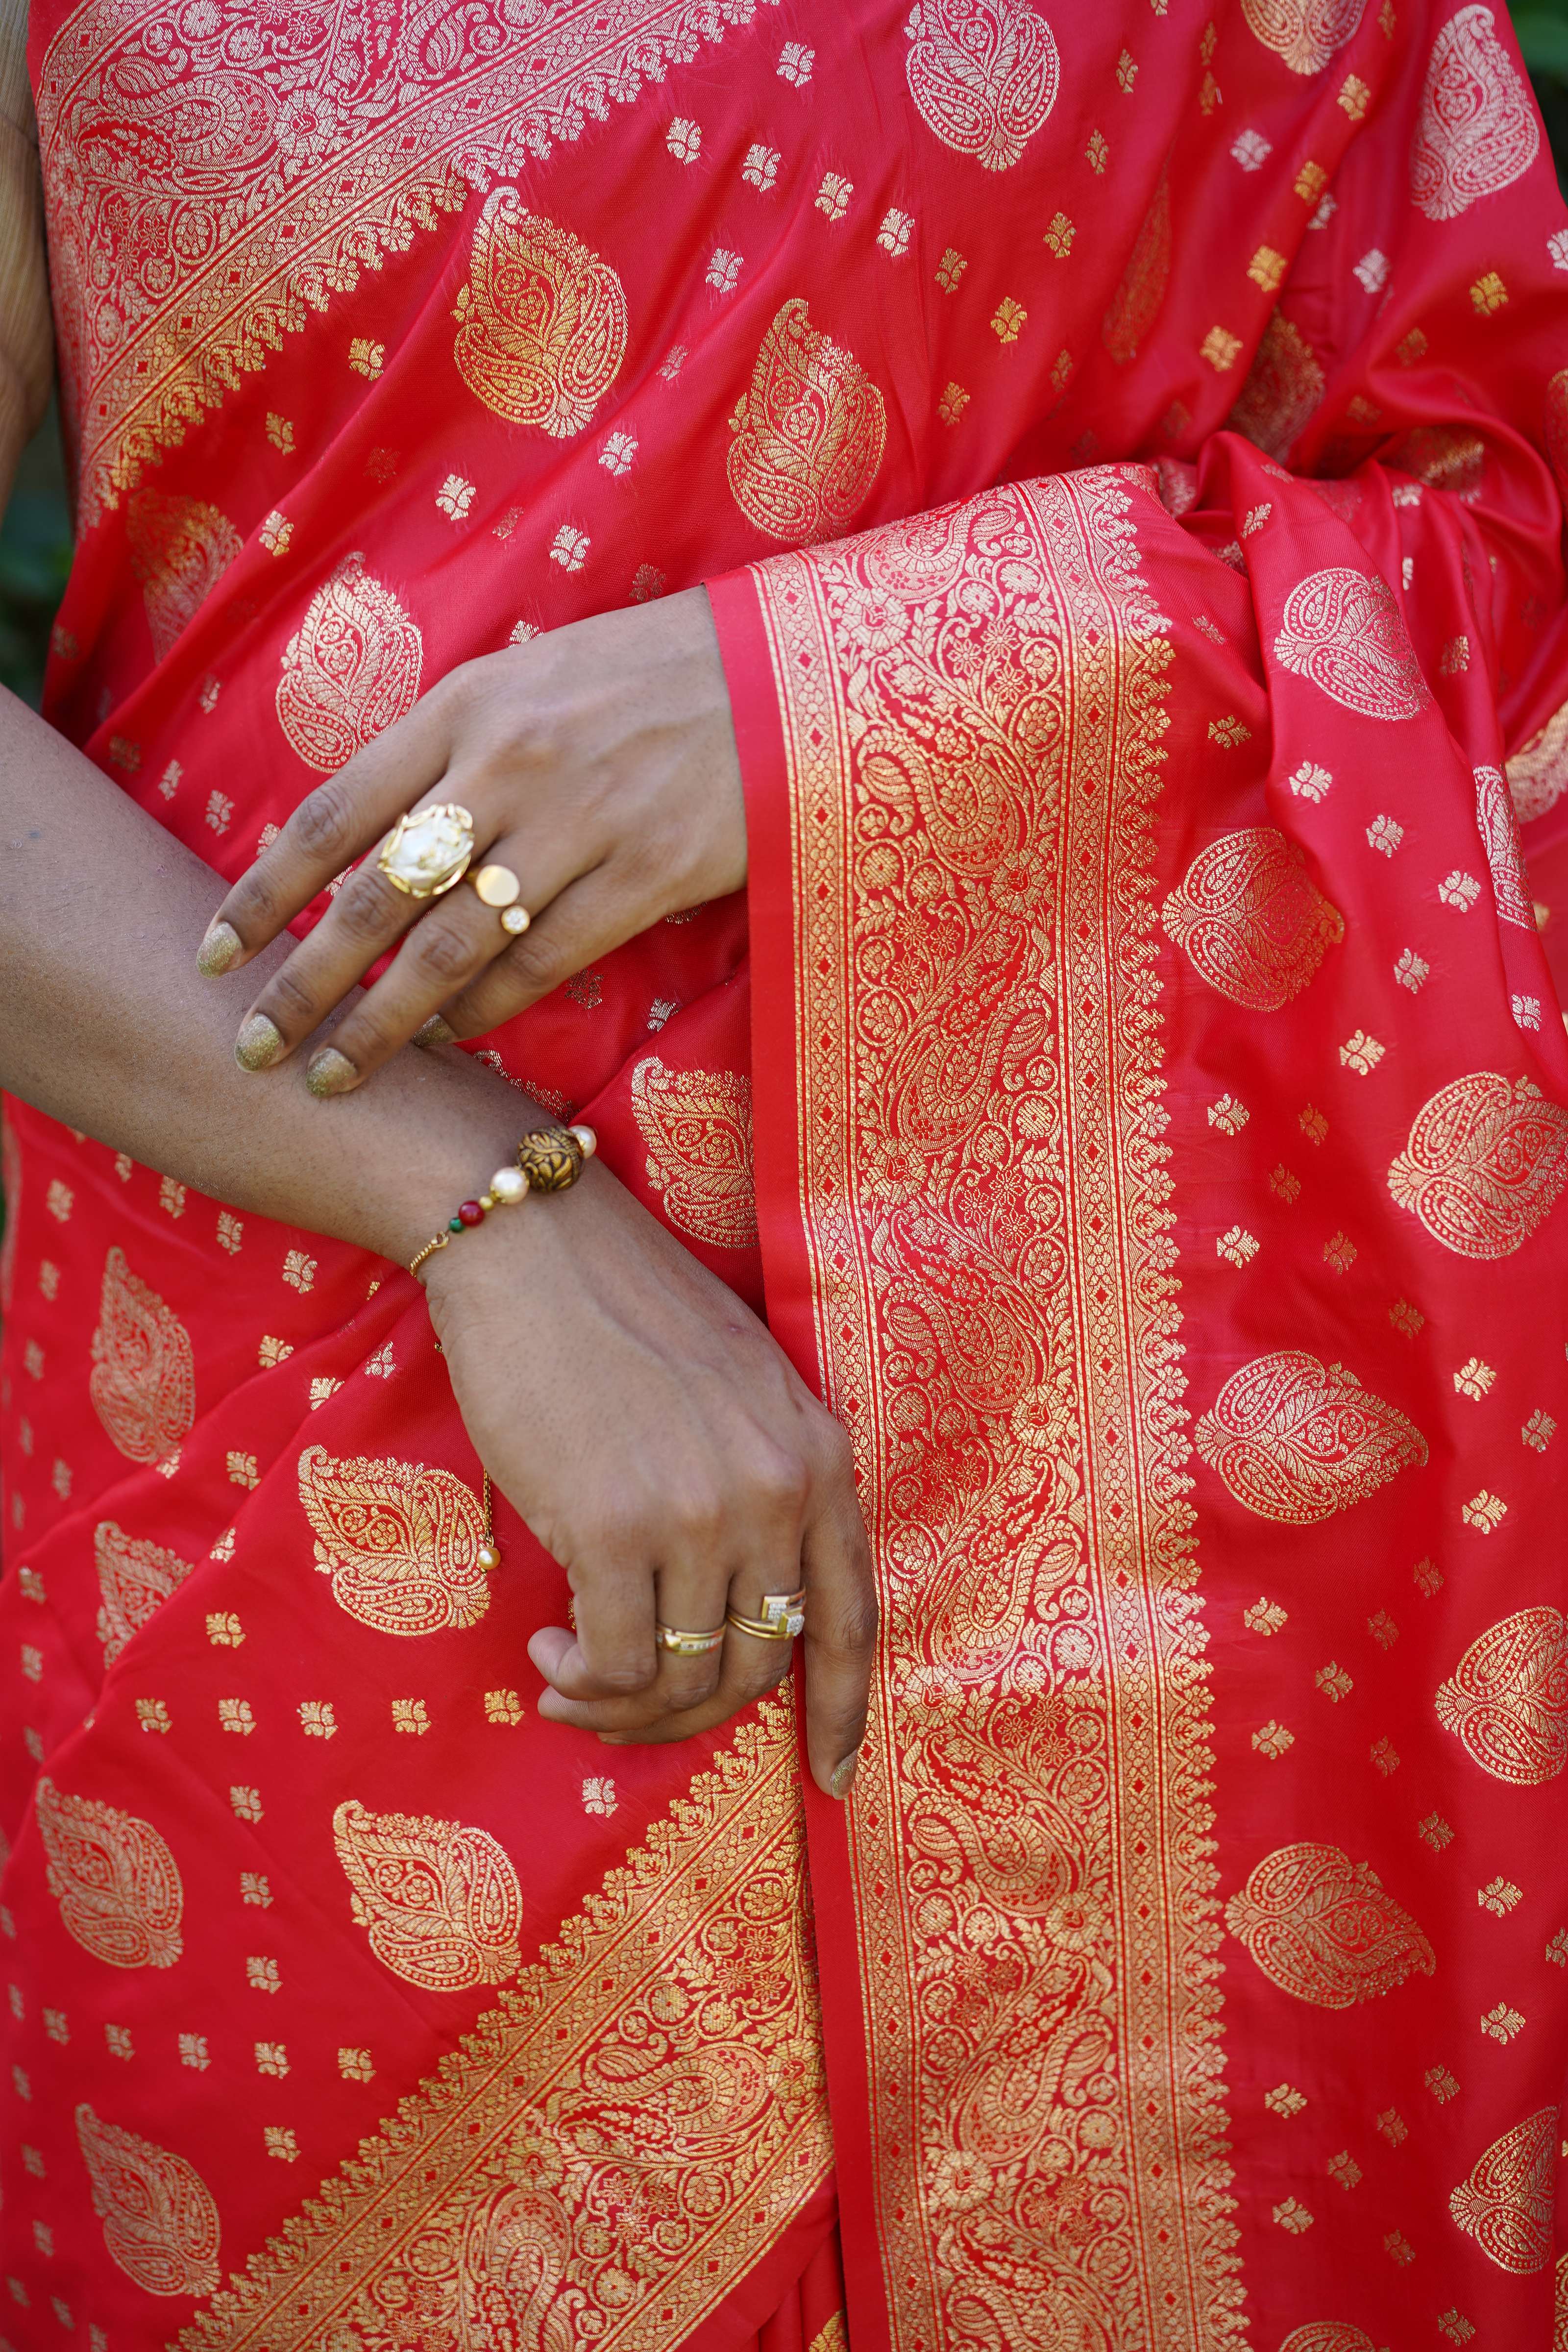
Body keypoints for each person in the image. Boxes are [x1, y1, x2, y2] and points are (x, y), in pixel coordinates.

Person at [2, 0, 1568, 2341]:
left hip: (1142, 1456)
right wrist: (481, 1204)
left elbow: (1503, 569)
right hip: (308, 1451)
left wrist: (817, 693)